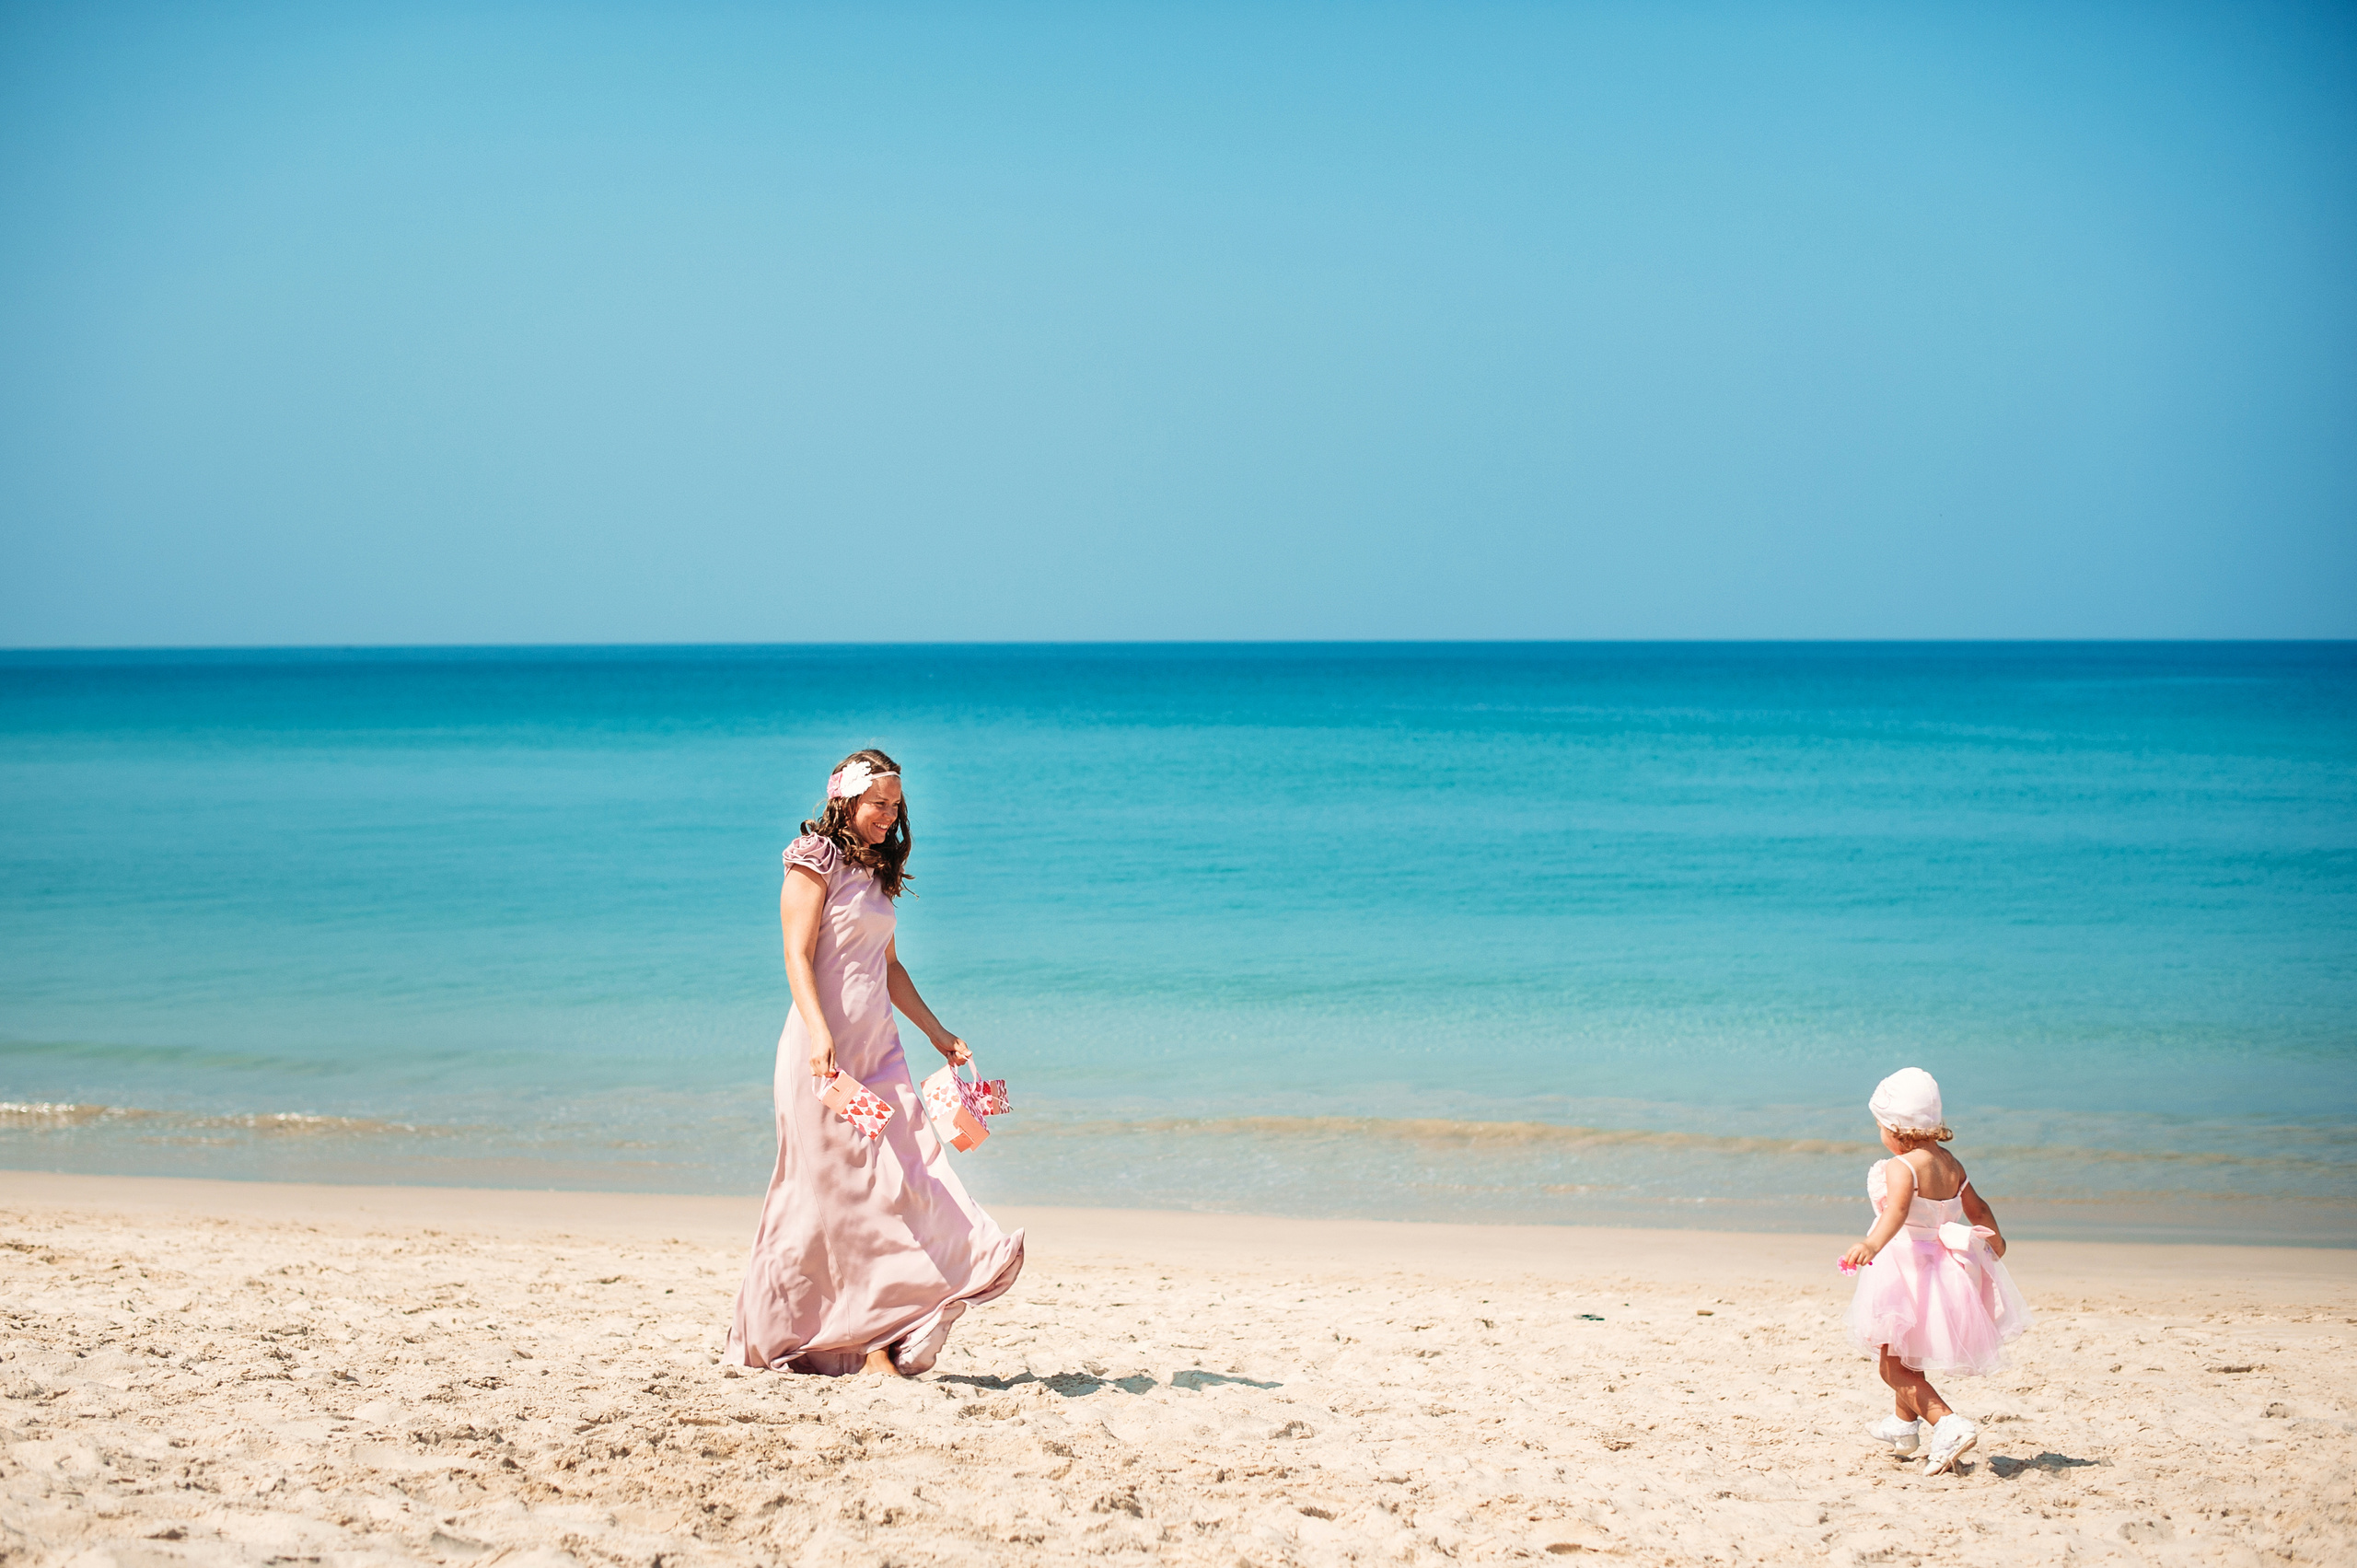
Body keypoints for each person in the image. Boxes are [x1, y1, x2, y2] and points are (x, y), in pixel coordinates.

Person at [725, 749, 1024, 1376]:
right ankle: (865, 1349)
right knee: (830, 1200)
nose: (890, 814)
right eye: (878, 802)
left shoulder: (877, 871)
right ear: (846, 801)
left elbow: (888, 969)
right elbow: (796, 955)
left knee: (911, 1175)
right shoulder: (814, 860)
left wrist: (940, 1034)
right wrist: (816, 1032)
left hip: (879, 1052)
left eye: (896, 804)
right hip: (824, 1064)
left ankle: (896, 1322)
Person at [1840, 1067, 2033, 1475]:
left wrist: (1872, 1244)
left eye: (1880, 1126)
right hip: (1942, 1270)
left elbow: (1897, 1213)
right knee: (1908, 1355)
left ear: (1897, 1130)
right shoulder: (1950, 1164)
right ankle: (1903, 1425)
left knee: (1892, 1365)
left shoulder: (1902, 1167)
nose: (1880, 1134)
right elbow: (1977, 1208)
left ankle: (1947, 1423)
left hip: (1905, 1268)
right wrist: (1995, 1239)